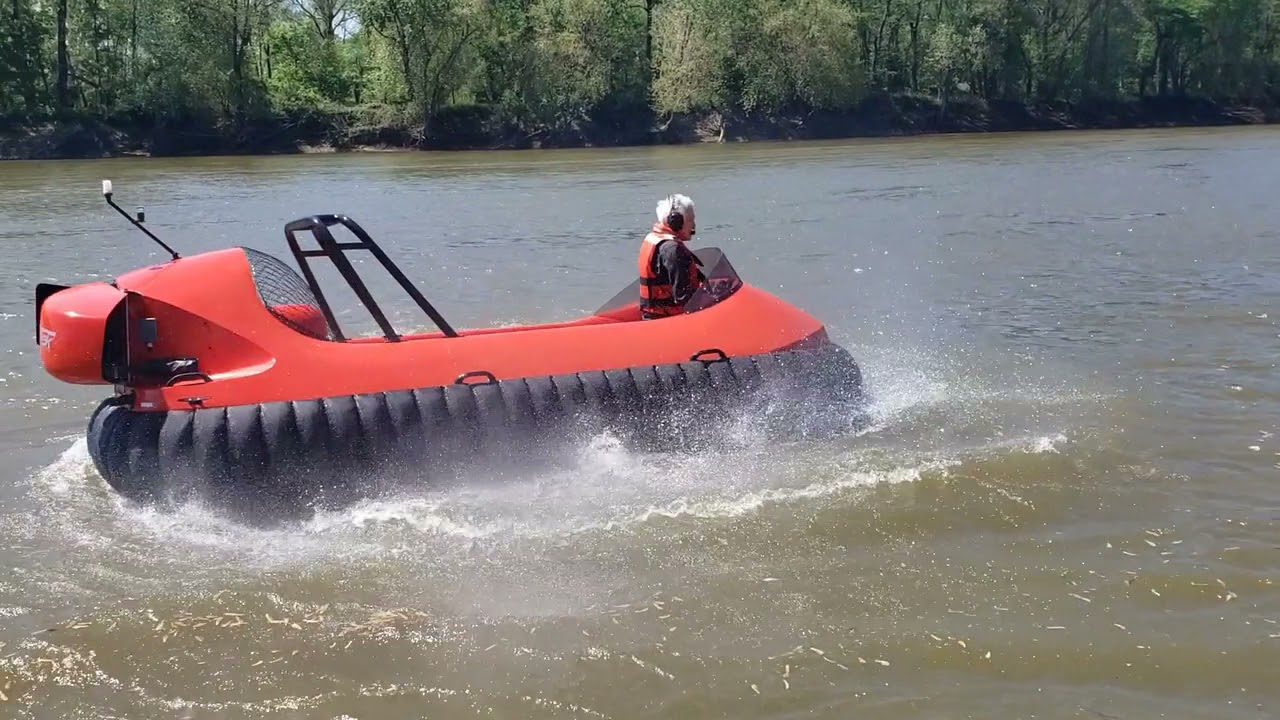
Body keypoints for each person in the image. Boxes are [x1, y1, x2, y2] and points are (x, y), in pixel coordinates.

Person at [638, 193, 705, 319]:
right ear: (676, 222)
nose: (694, 226)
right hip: (665, 320)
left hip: (653, 315)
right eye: (691, 220)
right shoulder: (673, 250)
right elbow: (683, 297)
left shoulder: (656, 240)